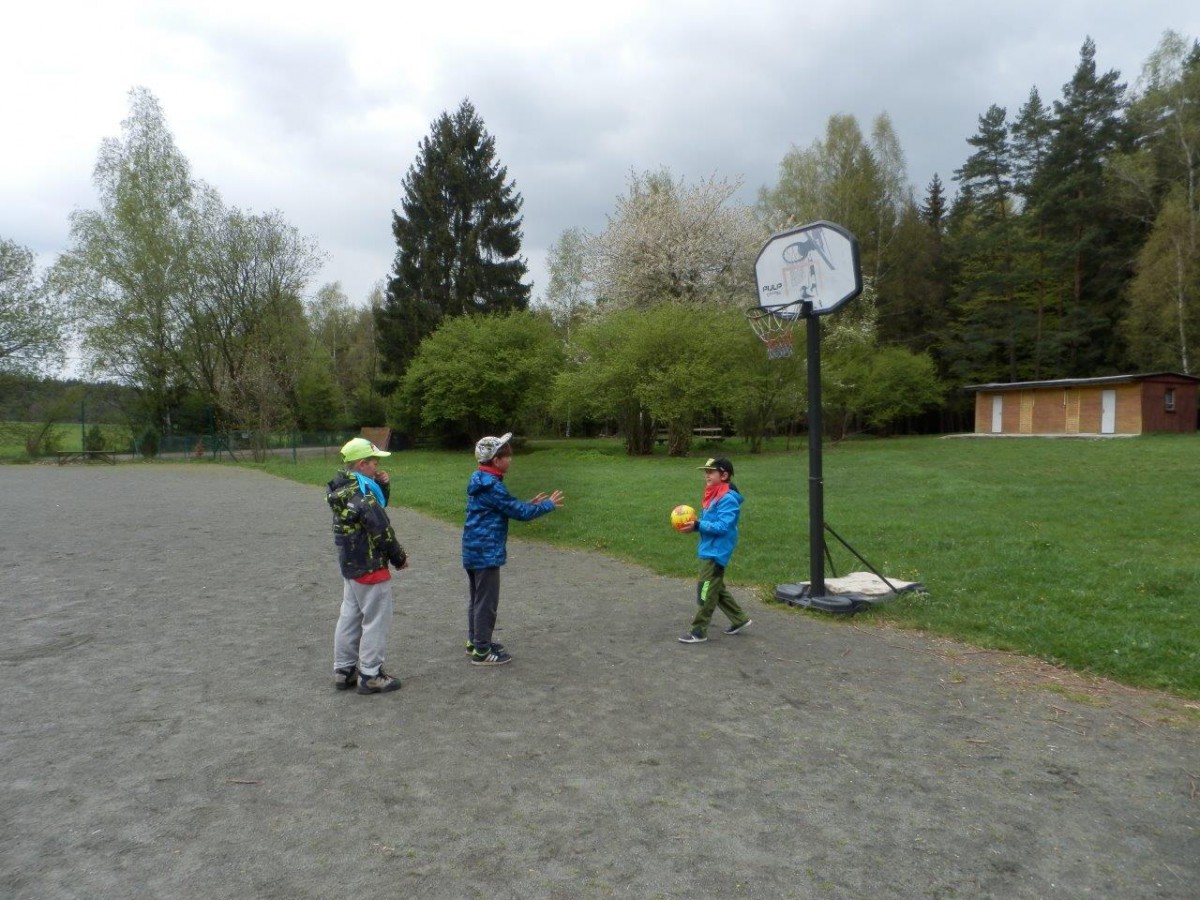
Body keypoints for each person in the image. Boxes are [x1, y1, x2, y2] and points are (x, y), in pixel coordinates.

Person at [462, 432, 564, 666]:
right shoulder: (492, 486)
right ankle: (482, 651)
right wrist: (548, 505)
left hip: (473, 549)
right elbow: (520, 513)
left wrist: (528, 504)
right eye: (507, 456)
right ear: (495, 460)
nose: (511, 460)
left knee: (478, 599)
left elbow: (506, 507)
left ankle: (476, 642)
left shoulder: (481, 480)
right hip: (486, 552)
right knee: (486, 602)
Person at [327, 437, 408, 694]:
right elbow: (382, 530)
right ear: (362, 464)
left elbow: (378, 506)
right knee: (376, 619)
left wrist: (382, 485)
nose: (377, 467)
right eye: (374, 463)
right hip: (370, 565)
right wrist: (399, 557)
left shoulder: (344, 490)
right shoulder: (363, 496)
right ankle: (371, 673)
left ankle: (344, 670)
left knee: (350, 616)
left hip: (350, 563)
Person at [678, 457, 751, 644]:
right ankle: (740, 619)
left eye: (711, 472)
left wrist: (698, 525)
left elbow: (723, 526)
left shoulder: (727, 499)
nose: (706, 475)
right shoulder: (714, 495)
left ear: (724, 475)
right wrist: (695, 525)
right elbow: (710, 523)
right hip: (708, 549)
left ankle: (699, 631)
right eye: (706, 472)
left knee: (705, 591)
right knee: (715, 588)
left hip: (716, 553)